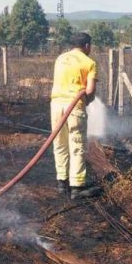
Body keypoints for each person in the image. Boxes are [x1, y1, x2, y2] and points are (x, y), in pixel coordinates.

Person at [50, 32, 100, 199]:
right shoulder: (89, 63)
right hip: (75, 107)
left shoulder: (60, 59)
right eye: (90, 46)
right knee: (77, 145)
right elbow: (90, 91)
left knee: (59, 143)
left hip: (56, 105)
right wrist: (88, 101)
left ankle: (61, 183)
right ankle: (77, 188)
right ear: (86, 45)